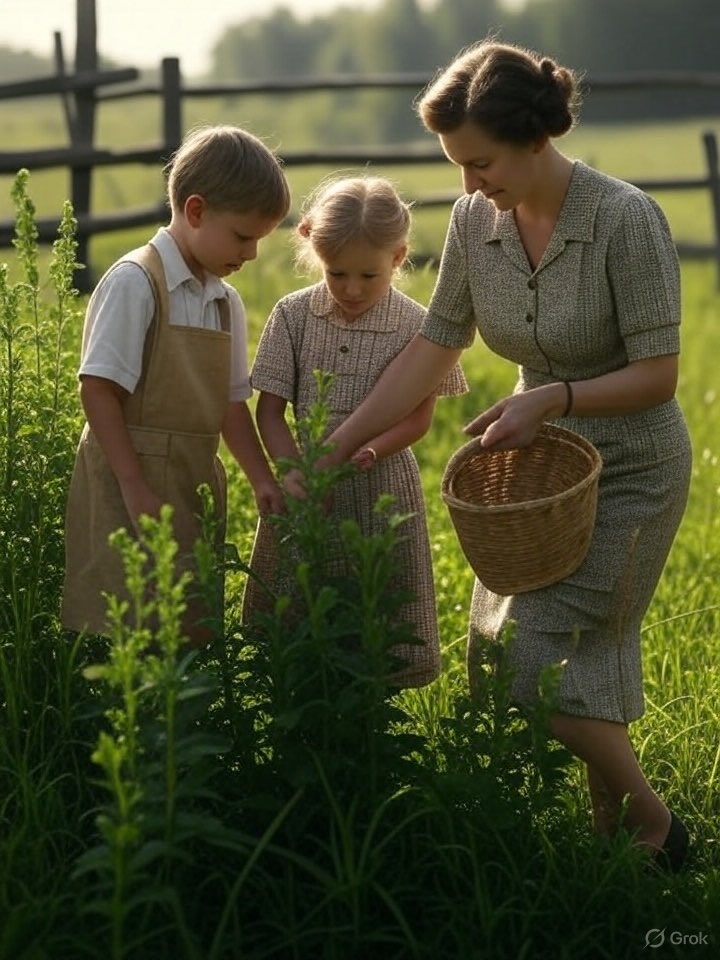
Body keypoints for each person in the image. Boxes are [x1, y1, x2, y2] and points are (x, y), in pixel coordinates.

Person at [322, 41, 693, 869]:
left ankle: (659, 827)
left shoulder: (623, 218)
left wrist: (549, 397)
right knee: (504, 652)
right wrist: (337, 445)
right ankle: (614, 840)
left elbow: (660, 377)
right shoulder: (472, 220)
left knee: (539, 659)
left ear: (533, 138)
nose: (467, 184)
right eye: (456, 165)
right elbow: (434, 344)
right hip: (531, 479)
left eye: (479, 162)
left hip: (630, 470)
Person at [62, 124, 290, 644]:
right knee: (123, 626)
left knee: (187, 628)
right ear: (195, 211)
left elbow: (231, 405)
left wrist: (261, 478)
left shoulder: (223, 300)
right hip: (128, 477)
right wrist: (133, 484)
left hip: (191, 480)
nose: (251, 254)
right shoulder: (134, 282)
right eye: (243, 236)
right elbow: (98, 390)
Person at [242, 175, 467, 687]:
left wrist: (373, 449)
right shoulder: (293, 315)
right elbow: (270, 412)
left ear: (398, 257)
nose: (351, 289)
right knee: (295, 618)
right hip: (306, 490)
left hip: (382, 489)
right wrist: (291, 472)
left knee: (376, 613)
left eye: (369, 275)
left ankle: (368, 721)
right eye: (336, 273)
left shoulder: (419, 327)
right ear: (312, 249)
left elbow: (419, 417)